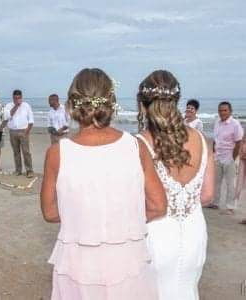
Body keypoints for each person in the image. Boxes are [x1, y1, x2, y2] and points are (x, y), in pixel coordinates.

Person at [40, 68, 167, 300]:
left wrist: (86, 218)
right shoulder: (135, 146)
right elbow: (158, 205)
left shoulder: (57, 154)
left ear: (72, 104)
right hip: (128, 260)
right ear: (112, 103)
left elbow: (49, 212)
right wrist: (121, 219)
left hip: (78, 262)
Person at [136, 70, 215, 300]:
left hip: (155, 235)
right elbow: (207, 196)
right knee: (187, 291)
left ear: (142, 106)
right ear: (177, 102)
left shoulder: (139, 144)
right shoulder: (202, 140)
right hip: (194, 233)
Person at [208, 101, 244, 214]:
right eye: (220, 110)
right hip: (218, 156)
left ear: (230, 111)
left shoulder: (235, 124)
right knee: (216, 181)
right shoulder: (217, 122)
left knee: (230, 183)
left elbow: (239, 142)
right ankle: (215, 203)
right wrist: (214, 152)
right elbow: (216, 139)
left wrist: (233, 158)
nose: (222, 112)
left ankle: (230, 207)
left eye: (224, 110)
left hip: (230, 157)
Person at [5, 90, 34, 178]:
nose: (17, 99)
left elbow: (31, 119)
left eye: (19, 98)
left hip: (24, 131)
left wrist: (28, 130)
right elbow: (8, 116)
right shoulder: (8, 105)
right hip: (13, 131)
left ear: (21, 97)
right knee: (16, 152)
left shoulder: (26, 105)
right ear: (13, 97)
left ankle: (29, 170)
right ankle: (18, 170)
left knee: (26, 152)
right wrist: (16, 106)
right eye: (15, 98)